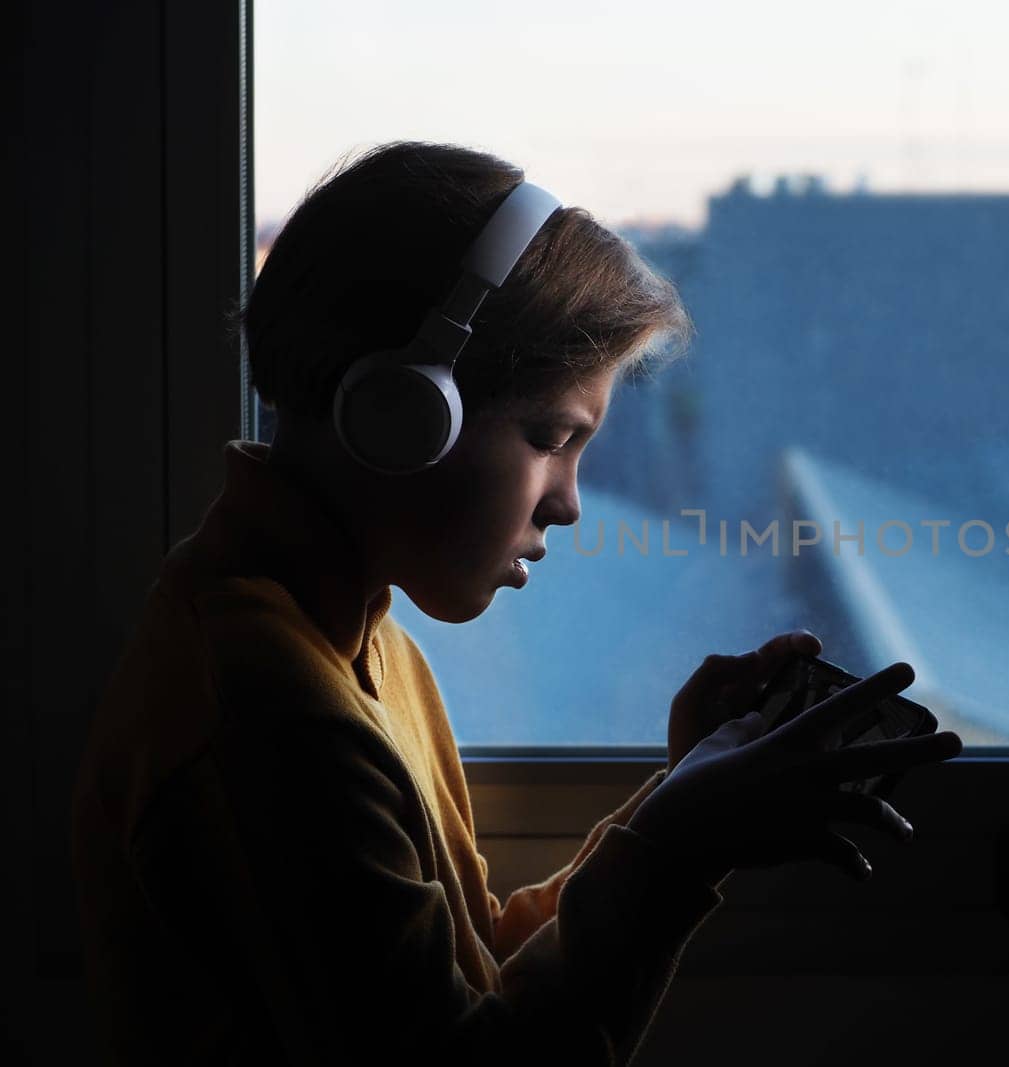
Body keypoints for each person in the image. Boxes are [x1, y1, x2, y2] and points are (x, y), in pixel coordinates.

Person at [70, 141, 962, 1065]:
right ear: (403, 410)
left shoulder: (359, 644)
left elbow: (474, 972)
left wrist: (681, 799)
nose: (569, 501)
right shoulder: (269, 713)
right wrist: (676, 853)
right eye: (551, 436)